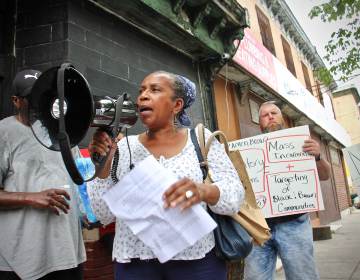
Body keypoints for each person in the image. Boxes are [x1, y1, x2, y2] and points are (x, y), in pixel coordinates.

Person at [87, 71, 244, 280]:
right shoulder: (123, 147)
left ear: (176, 105)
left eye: (155, 90)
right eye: (141, 90)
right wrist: (103, 164)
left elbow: (235, 196)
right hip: (136, 265)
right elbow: (102, 214)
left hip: (197, 262)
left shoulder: (200, 139)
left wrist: (203, 191)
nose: (143, 96)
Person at [0, 70, 86, 280]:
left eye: (46, 96)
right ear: (16, 101)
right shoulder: (4, 132)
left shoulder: (62, 131)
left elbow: (80, 179)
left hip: (69, 254)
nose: (41, 102)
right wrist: (31, 198)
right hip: (21, 260)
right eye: (33, 98)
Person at [244, 101, 331, 280]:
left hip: (295, 225)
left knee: (303, 277)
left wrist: (318, 156)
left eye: (274, 113)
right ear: (259, 123)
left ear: (282, 117)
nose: (270, 117)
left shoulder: (302, 143)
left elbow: (325, 175)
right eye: (265, 115)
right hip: (260, 229)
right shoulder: (248, 150)